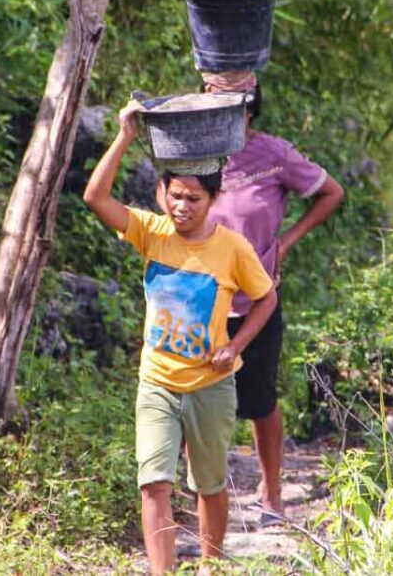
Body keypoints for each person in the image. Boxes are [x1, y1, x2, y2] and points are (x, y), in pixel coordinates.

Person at [84, 100, 277, 574]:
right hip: (157, 382)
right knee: (154, 483)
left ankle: (211, 566)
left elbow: (265, 299)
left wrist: (235, 346)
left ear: (213, 200)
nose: (182, 206)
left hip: (210, 385)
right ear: (160, 193)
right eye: (175, 196)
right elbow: (95, 198)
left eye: (193, 199)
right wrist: (125, 136)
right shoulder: (152, 232)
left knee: (208, 485)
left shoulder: (232, 248)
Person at [162, 70, 345, 525]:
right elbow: (169, 198)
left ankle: (272, 491)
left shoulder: (273, 154)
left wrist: (285, 242)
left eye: (231, 105)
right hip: (199, 297)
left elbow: (330, 192)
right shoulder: (194, 152)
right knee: (186, 389)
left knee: (260, 398)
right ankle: (187, 496)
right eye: (213, 102)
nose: (221, 112)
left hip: (255, 298)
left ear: (249, 108)